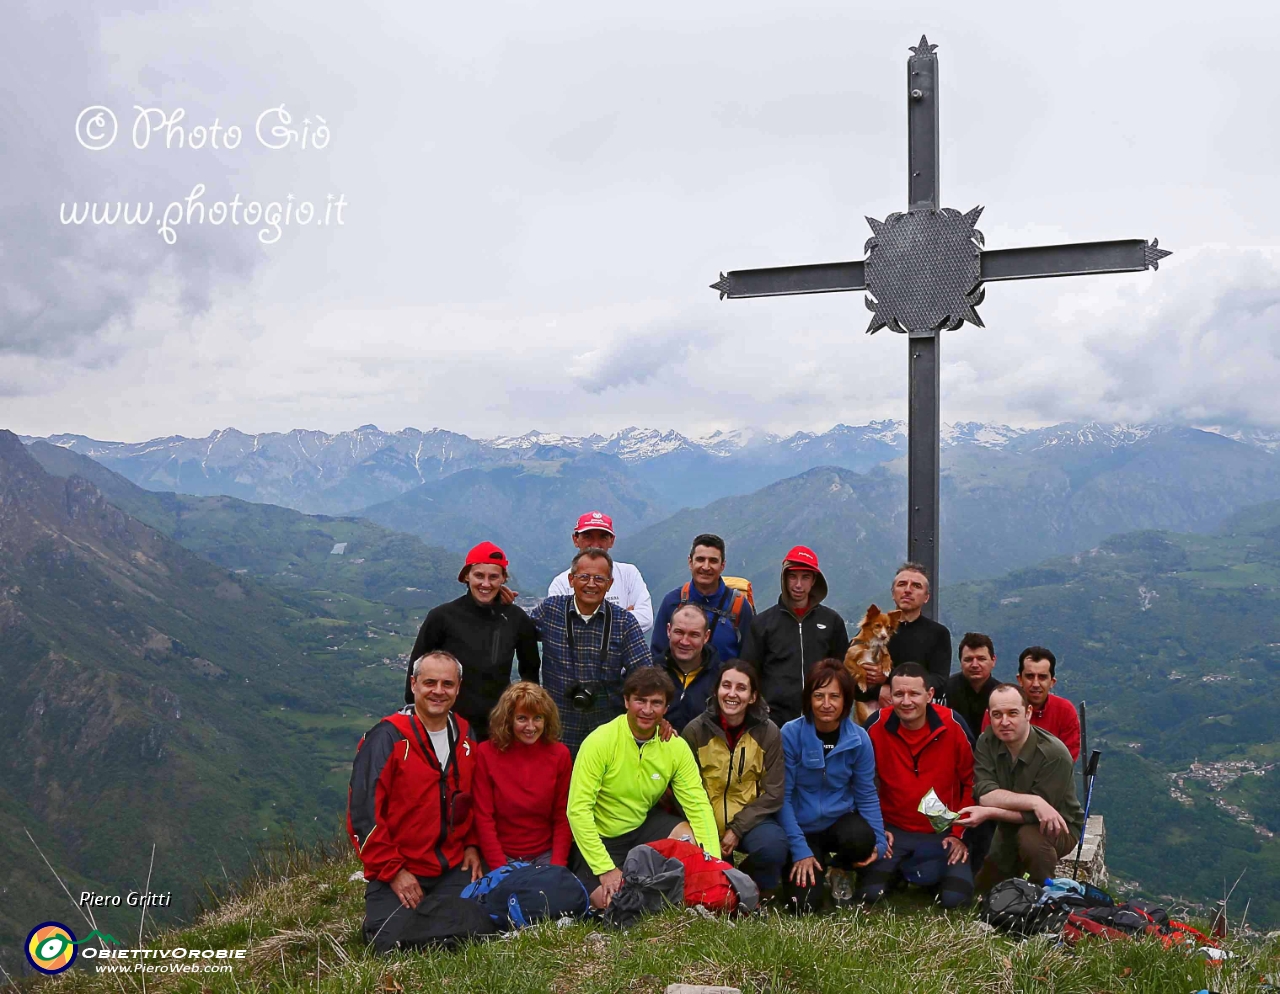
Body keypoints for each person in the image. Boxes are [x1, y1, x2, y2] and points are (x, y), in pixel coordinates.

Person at [348, 650, 483, 943]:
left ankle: (434, 924)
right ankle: (425, 925)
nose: (438, 691)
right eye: (429, 682)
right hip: (400, 867)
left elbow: (472, 797)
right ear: (413, 684)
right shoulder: (387, 739)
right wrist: (394, 871)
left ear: (458, 688)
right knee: (388, 941)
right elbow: (363, 815)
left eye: (447, 684)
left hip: (451, 866)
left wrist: (472, 844)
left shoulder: (465, 734)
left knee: (485, 921)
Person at [566, 667, 720, 909]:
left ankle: (668, 886)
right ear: (626, 701)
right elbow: (577, 810)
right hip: (601, 837)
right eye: (640, 700)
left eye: (656, 703)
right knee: (609, 903)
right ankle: (652, 890)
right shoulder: (599, 742)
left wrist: (714, 863)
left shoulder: (675, 746)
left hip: (642, 827)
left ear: (666, 708)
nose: (647, 710)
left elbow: (698, 805)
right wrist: (605, 869)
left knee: (689, 839)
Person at [859, 663, 975, 909]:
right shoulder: (876, 725)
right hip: (894, 829)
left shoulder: (953, 725)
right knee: (870, 893)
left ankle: (925, 873)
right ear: (890, 696)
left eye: (914, 694)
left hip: (941, 827)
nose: (906, 701)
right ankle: (902, 872)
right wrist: (876, 830)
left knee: (956, 899)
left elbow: (972, 782)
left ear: (930, 695)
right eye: (899, 694)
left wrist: (958, 835)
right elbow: (861, 782)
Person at [777, 658, 886, 913]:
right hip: (801, 829)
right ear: (809, 699)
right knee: (803, 906)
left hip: (839, 823)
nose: (826, 704)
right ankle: (803, 867)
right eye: (819, 696)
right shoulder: (790, 734)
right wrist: (800, 850)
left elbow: (867, 793)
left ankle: (841, 869)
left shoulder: (859, 739)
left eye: (834, 696)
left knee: (862, 838)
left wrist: (879, 843)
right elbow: (783, 797)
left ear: (845, 700)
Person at [404, 541, 540, 740]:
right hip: (447, 725)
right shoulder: (442, 617)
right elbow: (416, 669)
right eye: (479, 576)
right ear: (466, 576)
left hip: (497, 728)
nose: (486, 584)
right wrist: (416, 716)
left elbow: (530, 672)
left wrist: (525, 716)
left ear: (503, 578)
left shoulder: (516, 619)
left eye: (493, 577)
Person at [959, 683, 1084, 894]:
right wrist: (1035, 802)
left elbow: (1040, 817)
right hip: (1010, 822)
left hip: (1059, 826)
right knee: (984, 891)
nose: (1004, 722)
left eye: (1012, 713)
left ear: (1028, 713)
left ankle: (1044, 896)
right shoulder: (988, 741)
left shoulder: (1054, 754)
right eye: (997, 715)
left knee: (1030, 840)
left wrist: (990, 811)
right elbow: (985, 793)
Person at [681, 659, 788, 896]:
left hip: (749, 819)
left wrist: (737, 829)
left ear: (752, 696)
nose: (732, 694)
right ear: (717, 690)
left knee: (774, 846)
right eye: (726, 685)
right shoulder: (695, 731)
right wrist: (708, 829)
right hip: (704, 820)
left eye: (741, 688)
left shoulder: (769, 732)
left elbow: (773, 792)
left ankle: (755, 886)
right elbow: (685, 789)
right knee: (713, 887)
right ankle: (725, 883)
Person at [530, 548, 650, 753]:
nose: (591, 584)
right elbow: (516, 632)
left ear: (610, 584)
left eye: (599, 579)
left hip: (607, 729)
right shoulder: (550, 611)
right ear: (571, 579)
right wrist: (500, 604)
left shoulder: (624, 622)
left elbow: (644, 676)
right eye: (584, 577)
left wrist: (653, 715)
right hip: (557, 728)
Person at [741, 545, 849, 727]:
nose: (798, 585)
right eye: (793, 576)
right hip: (772, 723)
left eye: (805, 577)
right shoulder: (763, 623)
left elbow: (844, 672)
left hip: (821, 721)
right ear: (784, 578)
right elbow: (748, 672)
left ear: (814, 580)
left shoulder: (832, 622)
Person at [472, 682, 573, 869]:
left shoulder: (560, 755)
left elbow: (563, 816)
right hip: (500, 857)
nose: (530, 727)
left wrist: (557, 867)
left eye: (538, 718)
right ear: (508, 719)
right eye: (522, 718)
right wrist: (500, 869)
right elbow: (484, 818)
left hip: (546, 856)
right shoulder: (486, 753)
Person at [651, 534, 756, 665]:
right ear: (690, 562)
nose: (706, 567)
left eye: (713, 561)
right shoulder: (672, 601)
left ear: (722, 565)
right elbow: (657, 655)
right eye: (700, 559)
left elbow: (749, 661)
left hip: (723, 684)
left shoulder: (739, 606)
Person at [546, 511, 654, 632]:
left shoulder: (628, 573)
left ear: (612, 540)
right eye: (588, 536)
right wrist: (625, 617)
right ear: (575, 539)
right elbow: (558, 626)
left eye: (603, 537)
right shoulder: (561, 583)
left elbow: (646, 619)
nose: (595, 544)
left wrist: (584, 622)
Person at [980, 647, 1080, 762]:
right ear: (1020, 679)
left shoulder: (1065, 711)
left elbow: (1067, 760)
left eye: (1042, 677)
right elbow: (988, 753)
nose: (1036, 684)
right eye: (1030, 676)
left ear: (1052, 682)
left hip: (1051, 777)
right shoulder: (997, 710)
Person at [657, 603, 720, 732]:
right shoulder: (650, 674)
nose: (685, 641)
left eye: (694, 635)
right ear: (669, 630)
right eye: (679, 632)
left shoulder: (722, 679)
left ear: (706, 636)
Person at [944, 633, 1000, 739]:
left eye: (981, 659)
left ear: (993, 661)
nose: (975, 665)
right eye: (968, 659)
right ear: (960, 662)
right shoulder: (946, 690)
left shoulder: (1003, 695)